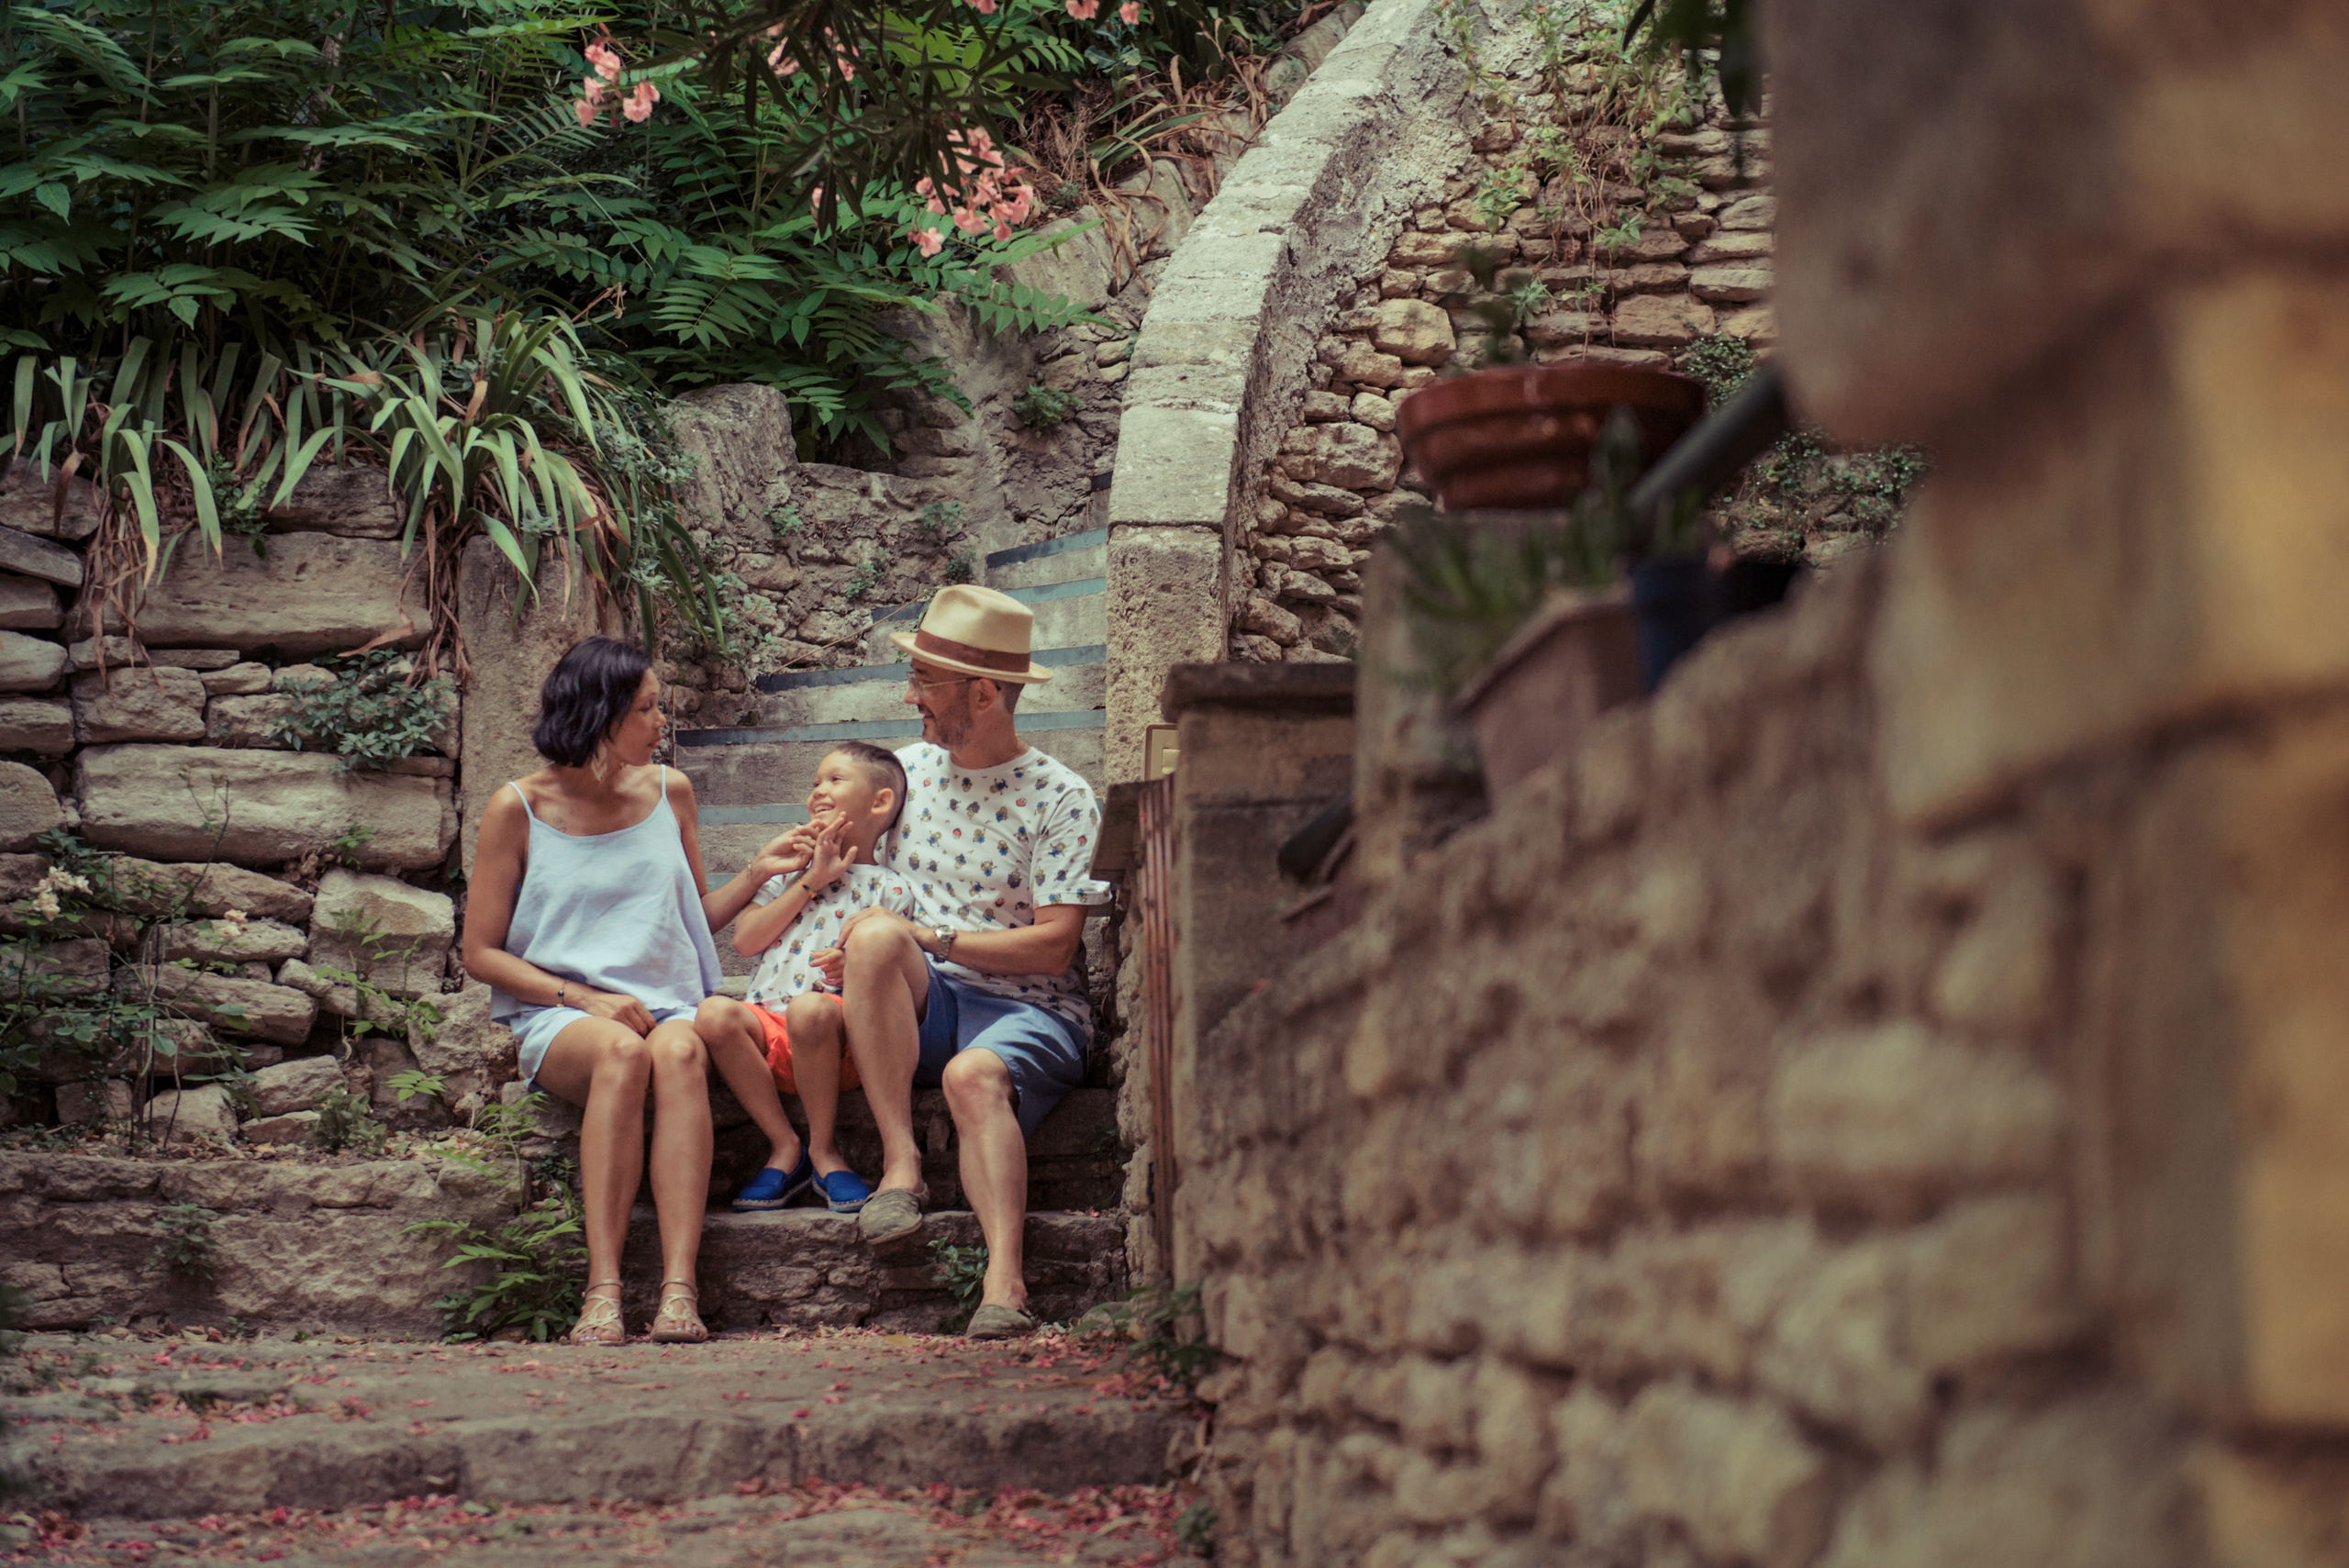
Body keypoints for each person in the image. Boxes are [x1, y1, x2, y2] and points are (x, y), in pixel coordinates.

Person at [461, 636, 818, 1346]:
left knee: (679, 1051)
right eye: (649, 708)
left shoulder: (669, 791)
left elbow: (695, 920)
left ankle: (679, 1291)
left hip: (669, 1007)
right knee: (623, 1055)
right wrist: (583, 998)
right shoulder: (518, 808)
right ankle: (603, 1291)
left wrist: (753, 876)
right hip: (564, 1015)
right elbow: (479, 952)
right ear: (602, 715)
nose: (663, 723)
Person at [816, 584, 1110, 1340]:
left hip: (1032, 1008)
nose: (910, 694)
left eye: (926, 681)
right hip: (929, 1003)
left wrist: (931, 939)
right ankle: (901, 1166)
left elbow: (1055, 945)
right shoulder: (903, 773)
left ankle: (1004, 1280)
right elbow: (841, 879)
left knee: (971, 1074)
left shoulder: (1061, 797)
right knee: (878, 934)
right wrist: (837, 932)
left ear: (982, 694)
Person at [693, 742, 917, 1214]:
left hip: (837, 1041)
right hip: (769, 1030)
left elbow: (888, 973)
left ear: (879, 803)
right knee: (712, 1012)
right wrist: (809, 880)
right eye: (815, 782)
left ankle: (823, 1149)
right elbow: (746, 941)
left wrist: (849, 965)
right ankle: (784, 1145)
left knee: (810, 1008)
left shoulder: (890, 887)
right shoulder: (788, 875)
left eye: (835, 780)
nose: (819, 791)